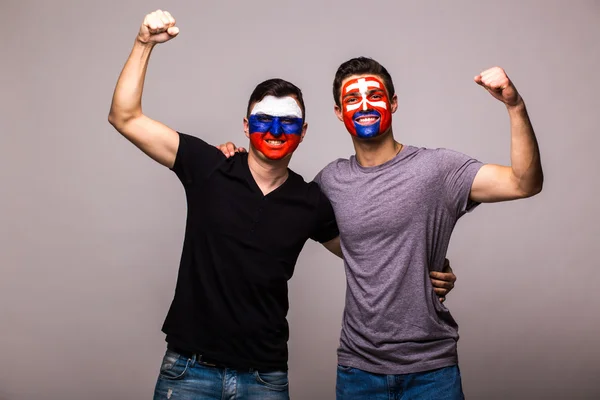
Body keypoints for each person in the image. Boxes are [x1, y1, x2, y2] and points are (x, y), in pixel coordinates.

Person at [107, 11, 457, 399]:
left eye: (288, 123)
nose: (275, 132)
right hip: (189, 370)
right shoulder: (208, 165)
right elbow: (124, 117)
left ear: (303, 132)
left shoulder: (311, 200)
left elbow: (372, 251)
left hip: (265, 378)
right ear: (245, 125)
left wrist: (431, 271)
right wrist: (143, 44)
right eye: (264, 120)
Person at [220, 57, 543, 399]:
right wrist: (238, 160)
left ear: (393, 103)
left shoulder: (438, 170)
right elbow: (287, 214)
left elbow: (525, 183)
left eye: (374, 95)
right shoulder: (330, 181)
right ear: (338, 112)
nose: (364, 106)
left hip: (432, 370)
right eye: (352, 100)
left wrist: (515, 105)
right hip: (358, 372)